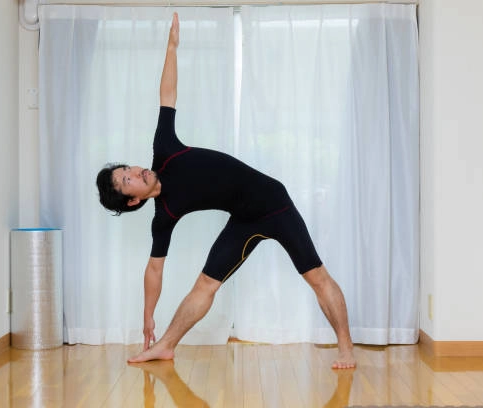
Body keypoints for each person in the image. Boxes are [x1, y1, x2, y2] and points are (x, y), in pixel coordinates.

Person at [96, 13, 356, 369]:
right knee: (206, 284)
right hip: (244, 220)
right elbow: (154, 269)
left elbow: (167, 94)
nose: (136, 171)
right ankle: (165, 346)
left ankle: (346, 348)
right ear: (133, 200)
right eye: (128, 180)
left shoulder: (165, 149)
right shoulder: (164, 215)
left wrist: (171, 47)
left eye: (128, 169)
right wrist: (147, 315)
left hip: (275, 203)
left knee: (316, 276)